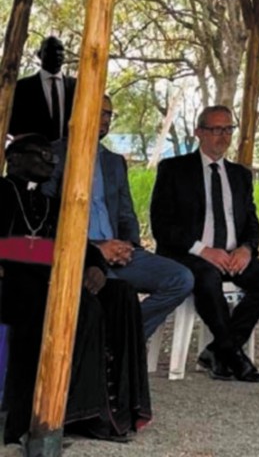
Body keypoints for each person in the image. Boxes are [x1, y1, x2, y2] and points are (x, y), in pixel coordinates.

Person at [1, 135, 152, 445]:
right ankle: (70, 414)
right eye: (41, 155)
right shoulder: (1, 192)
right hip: (15, 286)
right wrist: (58, 259)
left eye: (51, 156)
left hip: (56, 280)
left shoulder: (50, 203)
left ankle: (115, 411)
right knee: (80, 303)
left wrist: (94, 265)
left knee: (121, 293)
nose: (51, 161)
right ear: (14, 159)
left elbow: (77, 243)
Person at [149, 105, 259, 383]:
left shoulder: (240, 175)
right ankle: (232, 354)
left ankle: (219, 349)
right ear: (199, 132)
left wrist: (247, 248)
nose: (222, 136)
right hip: (188, 255)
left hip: (233, 255)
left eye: (228, 129)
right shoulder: (174, 169)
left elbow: (252, 222)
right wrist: (203, 250)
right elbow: (162, 226)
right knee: (207, 276)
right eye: (215, 129)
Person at [46, 95, 194, 339]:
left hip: (118, 253)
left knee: (181, 278)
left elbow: (126, 214)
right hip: (78, 254)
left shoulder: (113, 162)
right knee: (115, 291)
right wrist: (96, 249)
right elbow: (46, 217)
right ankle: (116, 346)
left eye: (108, 114)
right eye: (99, 111)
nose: (104, 119)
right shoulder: (54, 156)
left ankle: (123, 340)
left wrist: (127, 246)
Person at [9, 36, 77, 140]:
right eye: (51, 49)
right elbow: (12, 123)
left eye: (61, 50)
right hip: (33, 152)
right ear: (39, 54)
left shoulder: (76, 87)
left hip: (68, 152)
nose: (57, 53)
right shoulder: (22, 88)